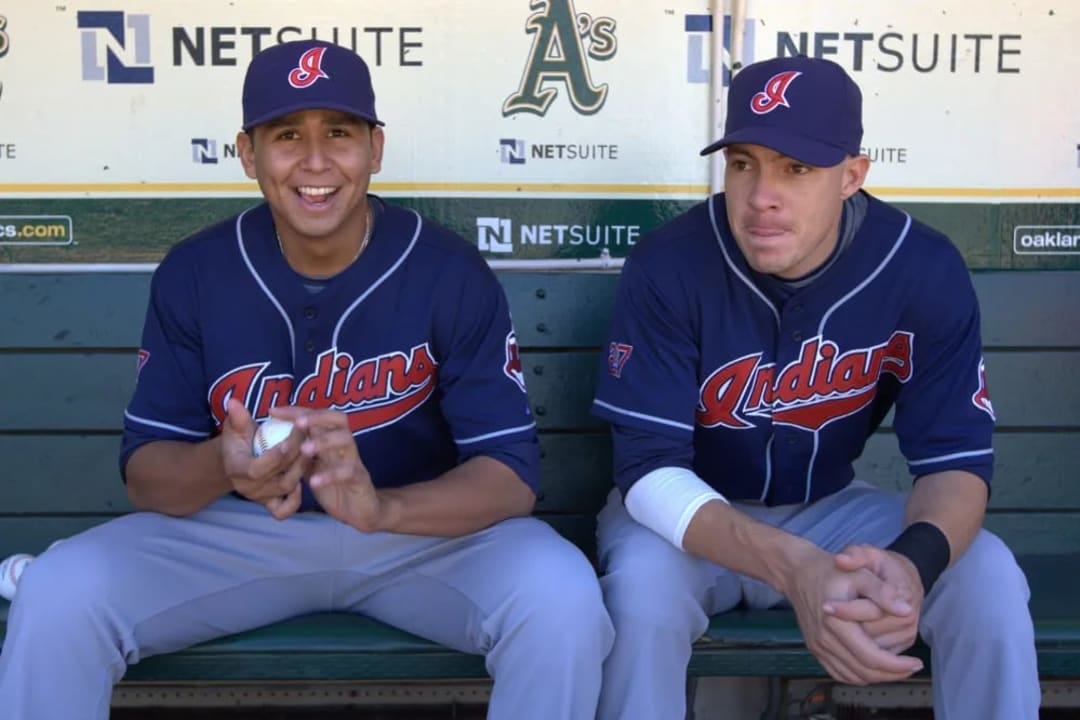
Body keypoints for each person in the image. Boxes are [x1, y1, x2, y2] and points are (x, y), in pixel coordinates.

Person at [0, 40, 612, 720]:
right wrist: (222, 465)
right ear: (248, 153)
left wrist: (385, 512)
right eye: (287, 135)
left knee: (561, 598)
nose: (315, 161)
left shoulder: (448, 271)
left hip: (420, 541)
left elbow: (508, 477)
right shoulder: (197, 271)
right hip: (242, 535)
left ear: (376, 149)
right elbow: (148, 476)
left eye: (340, 134)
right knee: (58, 593)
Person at [591, 55, 1038, 720]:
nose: (761, 194)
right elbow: (649, 474)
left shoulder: (920, 267)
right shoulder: (670, 263)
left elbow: (956, 464)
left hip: (830, 512)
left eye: (795, 169)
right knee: (641, 600)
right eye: (743, 163)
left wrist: (913, 565)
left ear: (852, 176)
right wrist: (796, 569)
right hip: (681, 524)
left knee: (987, 574)